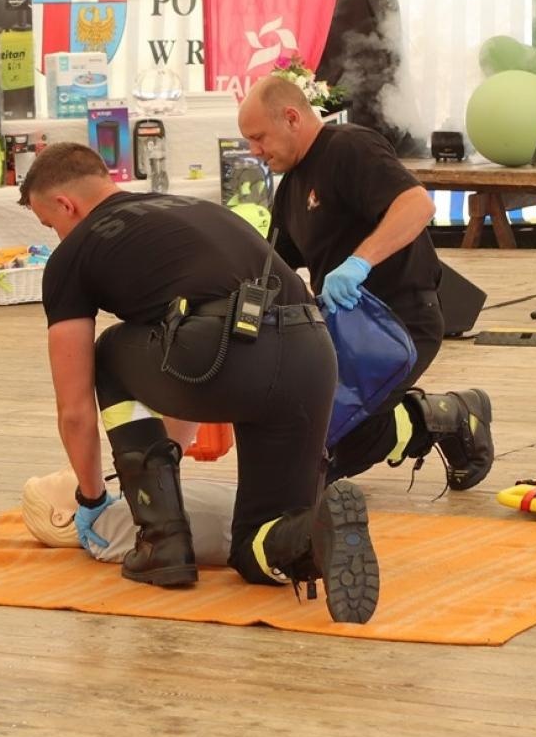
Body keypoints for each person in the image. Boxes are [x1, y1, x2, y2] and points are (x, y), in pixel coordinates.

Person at [21, 141, 379, 624]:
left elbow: (75, 407)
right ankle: (315, 534)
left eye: (51, 224)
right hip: (311, 353)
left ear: (67, 205)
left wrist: (93, 501)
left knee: (105, 353)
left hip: (221, 356)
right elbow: (184, 347)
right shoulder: (194, 208)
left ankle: (162, 543)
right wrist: (167, 462)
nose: (57, 236)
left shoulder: (76, 254)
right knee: (258, 546)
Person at [237, 76, 495, 489]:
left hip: (397, 321)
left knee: (345, 442)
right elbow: (274, 270)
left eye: (258, 137)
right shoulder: (289, 191)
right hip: (344, 330)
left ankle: (451, 414)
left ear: (290, 118)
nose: (253, 151)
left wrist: (359, 262)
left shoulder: (349, 148)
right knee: (308, 437)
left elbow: (417, 205)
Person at [22, 468, 235, 567]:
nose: (66, 468)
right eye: (55, 478)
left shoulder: (112, 519)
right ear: (59, 517)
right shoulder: (104, 532)